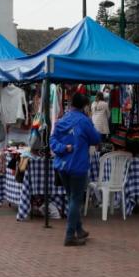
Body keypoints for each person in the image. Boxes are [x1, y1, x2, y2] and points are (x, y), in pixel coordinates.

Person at [51, 92, 101, 246]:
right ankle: (69, 235)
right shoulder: (84, 121)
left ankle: (79, 229)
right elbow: (96, 139)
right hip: (77, 165)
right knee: (75, 199)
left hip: (61, 166)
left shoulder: (62, 119)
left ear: (71, 104)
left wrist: (63, 148)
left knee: (71, 197)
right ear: (84, 106)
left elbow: (52, 140)